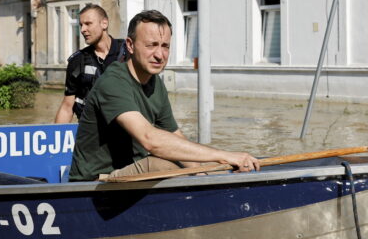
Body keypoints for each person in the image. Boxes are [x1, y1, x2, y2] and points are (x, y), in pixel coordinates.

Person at [68, 10, 260, 181]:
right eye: (151, 45)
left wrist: (206, 173)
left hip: (131, 173)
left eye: (165, 46)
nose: (160, 55)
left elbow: (174, 137)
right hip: (97, 181)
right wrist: (225, 156)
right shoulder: (113, 82)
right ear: (130, 45)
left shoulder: (156, 83)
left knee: (204, 167)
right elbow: (150, 140)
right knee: (161, 164)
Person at [54, 4, 125, 123]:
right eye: (81, 25)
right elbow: (67, 107)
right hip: (91, 133)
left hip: (125, 131)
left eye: (88, 24)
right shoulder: (77, 62)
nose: (82, 30)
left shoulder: (127, 53)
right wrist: (55, 137)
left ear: (104, 23)